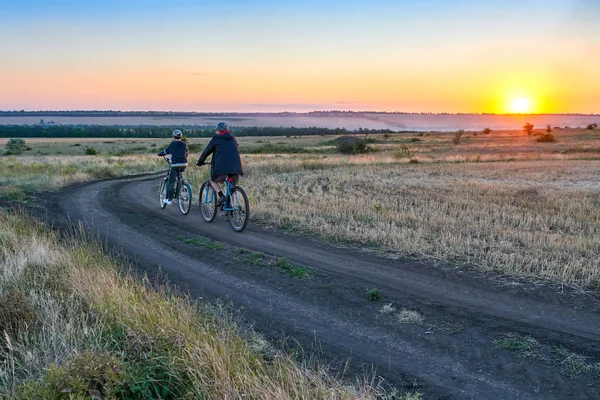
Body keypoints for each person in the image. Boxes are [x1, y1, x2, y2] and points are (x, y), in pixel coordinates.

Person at [196, 122, 243, 207]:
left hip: (222, 167)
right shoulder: (233, 138)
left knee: (212, 181)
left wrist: (200, 162)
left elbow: (205, 153)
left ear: (218, 130)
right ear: (227, 130)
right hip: (236, 167)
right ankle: (231, 208)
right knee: (232, 187)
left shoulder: (216, 139)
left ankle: (221, 196)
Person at [157, 129, 189, 205]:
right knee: (179, 174)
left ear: (173, 136)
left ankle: (169, 199)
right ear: (181, 136)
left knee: (171, 181)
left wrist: (159, 154)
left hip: (175, 164)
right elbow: (187, 153)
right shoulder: (185, 144)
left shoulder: (172, 144)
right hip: (184, 164)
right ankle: (182, 186)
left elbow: (165, 152)